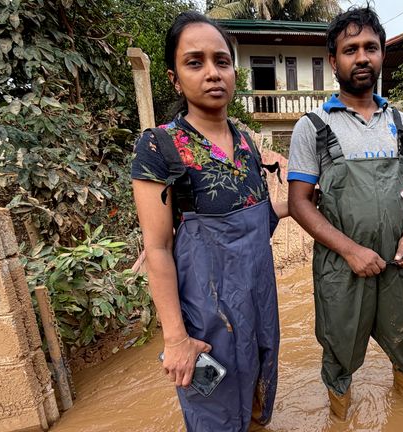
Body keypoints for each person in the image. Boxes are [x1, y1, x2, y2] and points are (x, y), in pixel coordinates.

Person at [131, 11, 285, 431]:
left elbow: (257, 222)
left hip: (259, 305)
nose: (213, 73)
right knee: (214, 412)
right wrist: (176, 338)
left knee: (257, 395)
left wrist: (295, 200)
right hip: (205, 316)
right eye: (195, 62)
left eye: (222, 61)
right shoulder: (160, 148)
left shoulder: (247, 142)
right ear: (175, 79)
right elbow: (158, 247)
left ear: (234, 73)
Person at [287, 6, 403, 421]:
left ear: (381, 54)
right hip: (341, 267)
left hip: (398, 262)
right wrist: (350, 251)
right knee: (339, 351)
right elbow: (299, 203)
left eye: (371, 48)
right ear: (334, 61)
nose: (362, 57)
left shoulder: (401, 123)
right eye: (351, 49)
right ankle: (340, 418)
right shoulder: (312, 127)